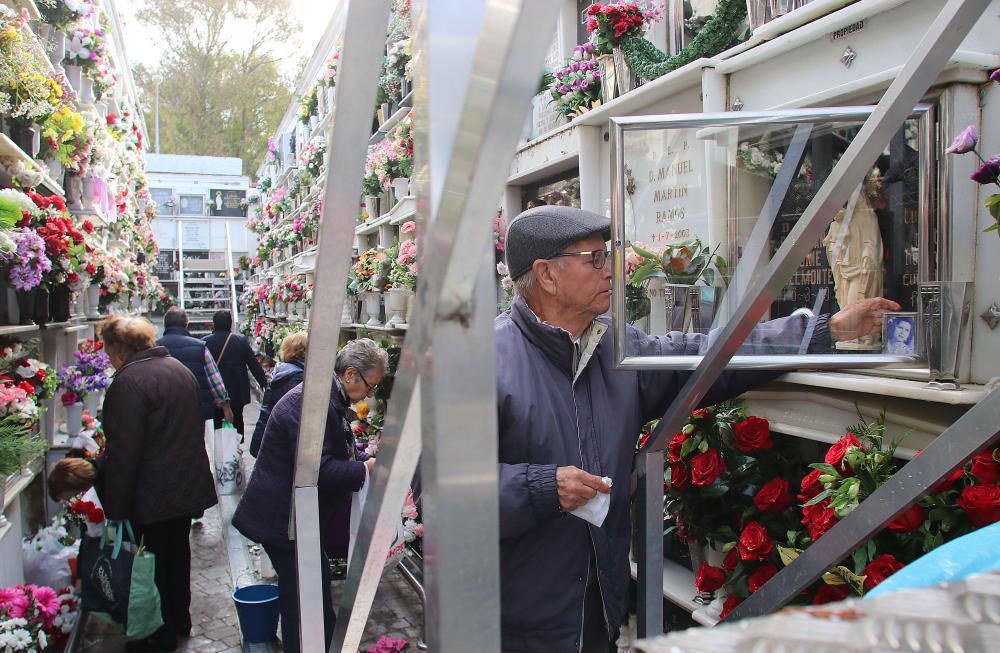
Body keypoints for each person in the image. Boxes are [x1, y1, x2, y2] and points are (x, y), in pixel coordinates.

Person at [496, 205, 899, 652]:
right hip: (511, 624)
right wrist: (541, 488)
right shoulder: (482, 363)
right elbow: (440, 495)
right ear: (546, 275)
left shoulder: (613, 347)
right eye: (595, 258)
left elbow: (706, 357)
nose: (609, 268)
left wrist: (824, 330)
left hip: (595, 610)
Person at [60, 315, 217, 652]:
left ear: (119, 348)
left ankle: (159, 633)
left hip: (152, 492)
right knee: (177, 556)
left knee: (151, 562)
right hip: (183, 486)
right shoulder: (176, 369)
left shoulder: (129, 382)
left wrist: (115, 506)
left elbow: (125, 452)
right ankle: (180, 619)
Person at [232, 338, 388, 653]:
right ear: (350, 375)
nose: (370, 395)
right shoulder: (313, 404)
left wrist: (361, 452)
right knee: (304, 601)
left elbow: (331, 449)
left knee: (308, 594)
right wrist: (366, 469)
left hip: (293, 520)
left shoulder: (327, 396)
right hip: (283, 521)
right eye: (371, 387)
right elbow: (319, 470)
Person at [157, 307, 233, 424]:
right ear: (186, 324)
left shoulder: (154, 347)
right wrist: (226, 407)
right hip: (197, 412)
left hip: (164, 413)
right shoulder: (199, 347)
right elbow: (215, 380)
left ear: (165, 324)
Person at [204, 310, 268, 436]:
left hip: (214, 392)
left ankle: (221, 446)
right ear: (230, 324)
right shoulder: (240, 341)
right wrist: (265, 383)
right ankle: (237, 446)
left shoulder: (205, 342)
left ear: (214, 324)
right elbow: (253, 365)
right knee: (237, 417)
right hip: (237, 391)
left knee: (216, 419)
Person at [249, 330, 307, 457]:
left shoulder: (284, 372)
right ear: (303, 352)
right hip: (278, 445)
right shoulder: (297, 378)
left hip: (268, 438)